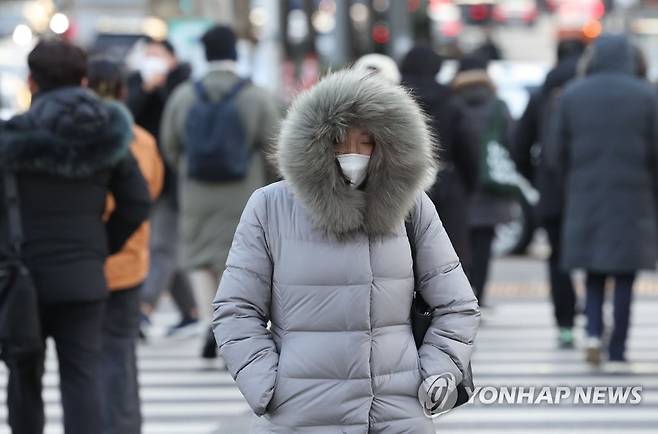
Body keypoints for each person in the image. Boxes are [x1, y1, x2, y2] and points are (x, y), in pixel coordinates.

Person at [212, 69, 480, 432]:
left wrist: (435, 374)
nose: (353, 152)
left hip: (397, 414)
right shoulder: (270, 206)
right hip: (303, 416)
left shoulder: (411, 207)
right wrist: (268, 386)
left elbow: (456, 304)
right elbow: (236, 309)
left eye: (367, 141)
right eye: (339, 140)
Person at [0, 39, 151, 434]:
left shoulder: (13, 138)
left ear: (31, 82)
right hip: (84, 275)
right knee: (82, 376)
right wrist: (101, 244)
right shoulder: (108, 136)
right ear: (83, 80)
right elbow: (136, 200)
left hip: (22, 278)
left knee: (23, 375)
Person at [161, 25, 281, 360]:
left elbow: (170, 145)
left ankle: (209, 324)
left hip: (196, 190)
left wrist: (188, 170)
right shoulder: (255, 95)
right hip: (244, 191)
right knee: (243, 259)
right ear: (235, 53)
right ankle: (240, 328)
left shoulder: (184, 95)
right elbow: (275, 147)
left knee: (200, 259)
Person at [546, 34, 658, 369]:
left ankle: (593, 331)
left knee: (593, 270)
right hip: (633, 196)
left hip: (585, 193)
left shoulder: (573, 94)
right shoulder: (647, 96)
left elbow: (555, 153)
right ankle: (618, 346)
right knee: (625, 273)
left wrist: (572, 183)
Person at [88, 57, 165, 434]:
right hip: (131, 260)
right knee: (120, 353)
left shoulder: (78, 137)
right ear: (122, 92)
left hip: (88, 259)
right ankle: (125, 425)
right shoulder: (143, 141)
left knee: (90, 358)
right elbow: (149, 192)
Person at [513, 38, 586, 348]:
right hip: (587, 191)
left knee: (558, 257)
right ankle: (596, 318)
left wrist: (535, 178)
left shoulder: (543, 93)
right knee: (597, 257)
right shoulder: (589, 91)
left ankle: (565, 324)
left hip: (552, 190)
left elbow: (519, 144)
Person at [126, 37, 198, 337]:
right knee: (165, 249)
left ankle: (143, 308)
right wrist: (145, 88)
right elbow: (127, 116)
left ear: (172, 58)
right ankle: (191, 311)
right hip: (140, 176)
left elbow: (182, 127)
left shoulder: (183, 85)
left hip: (172, 181)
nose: (151, 60)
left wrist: (164, 86)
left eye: (158, 55)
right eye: (148, 55)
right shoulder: (135, 82)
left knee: (162, 246)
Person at [400, 45, 479, 274]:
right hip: (447, 185)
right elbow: (468, 148)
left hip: (400, 185)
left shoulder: (393, 101)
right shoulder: (451, 102)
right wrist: (468, 186)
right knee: (447, 256)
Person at [451, 55, 514, 308]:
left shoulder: (452, 103)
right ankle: (480, 295)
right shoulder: (498, 105)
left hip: (460, 185)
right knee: (484, 244)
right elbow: (512, 143)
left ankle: (462, 295)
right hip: (490, 185)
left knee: (456, 245)